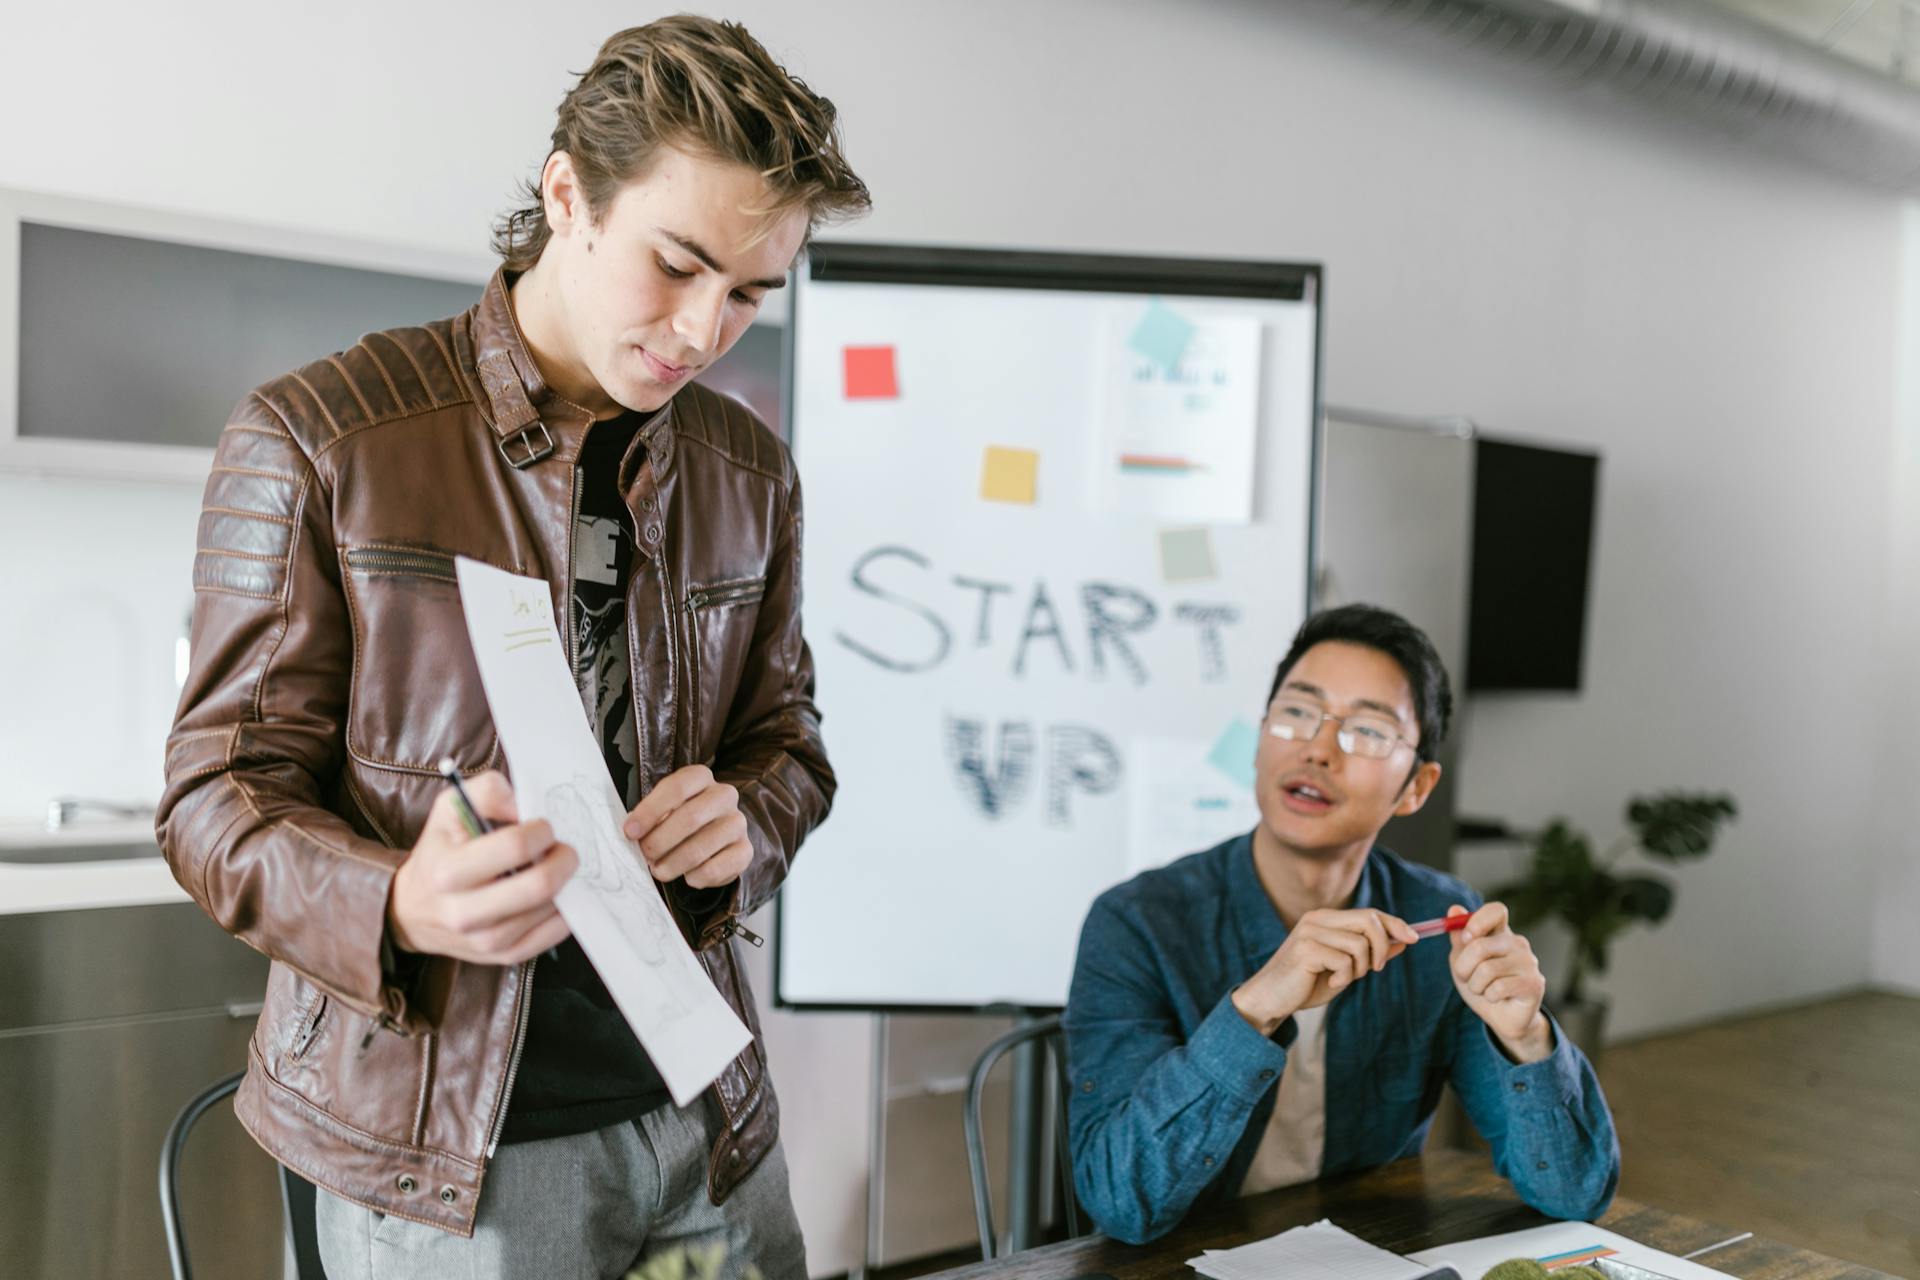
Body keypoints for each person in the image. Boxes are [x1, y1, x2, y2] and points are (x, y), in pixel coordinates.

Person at [157, 16, 869, 1278]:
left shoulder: (749, 472)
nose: (706, 331)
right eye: (677, 264)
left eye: (751, 293)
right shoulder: (320, 439)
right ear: (565, 194)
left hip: (710, 1121)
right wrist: (397, 899)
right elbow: (214, 801)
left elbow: (791, 744)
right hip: (449, 1162)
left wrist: (748, 818)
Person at [1063, 604, 1619, 1244]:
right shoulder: (1136, 923)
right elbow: (1119, 1201)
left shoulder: (1441, 922)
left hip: (1365, 1255)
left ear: (1415, 787)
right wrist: (1255, 1009)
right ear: (1261, 737)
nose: (1318, 749)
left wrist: (1528, 1041)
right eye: (1296, 713)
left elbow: (1575, 1193)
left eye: (1367, 731)